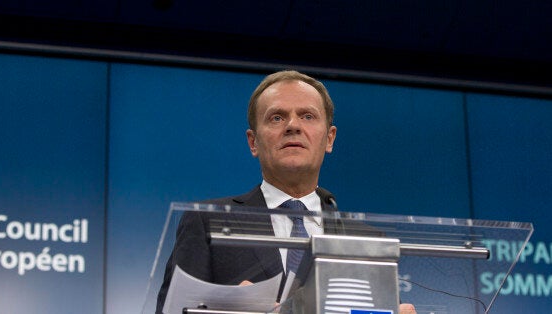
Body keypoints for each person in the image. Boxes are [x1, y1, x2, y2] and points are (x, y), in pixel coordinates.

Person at [156, 70, 416, 314]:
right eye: (277, 117)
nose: (293, 125)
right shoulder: (207, 223)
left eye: (307, 116)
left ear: (329, 139)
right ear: (253, 142)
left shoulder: (367, 242)